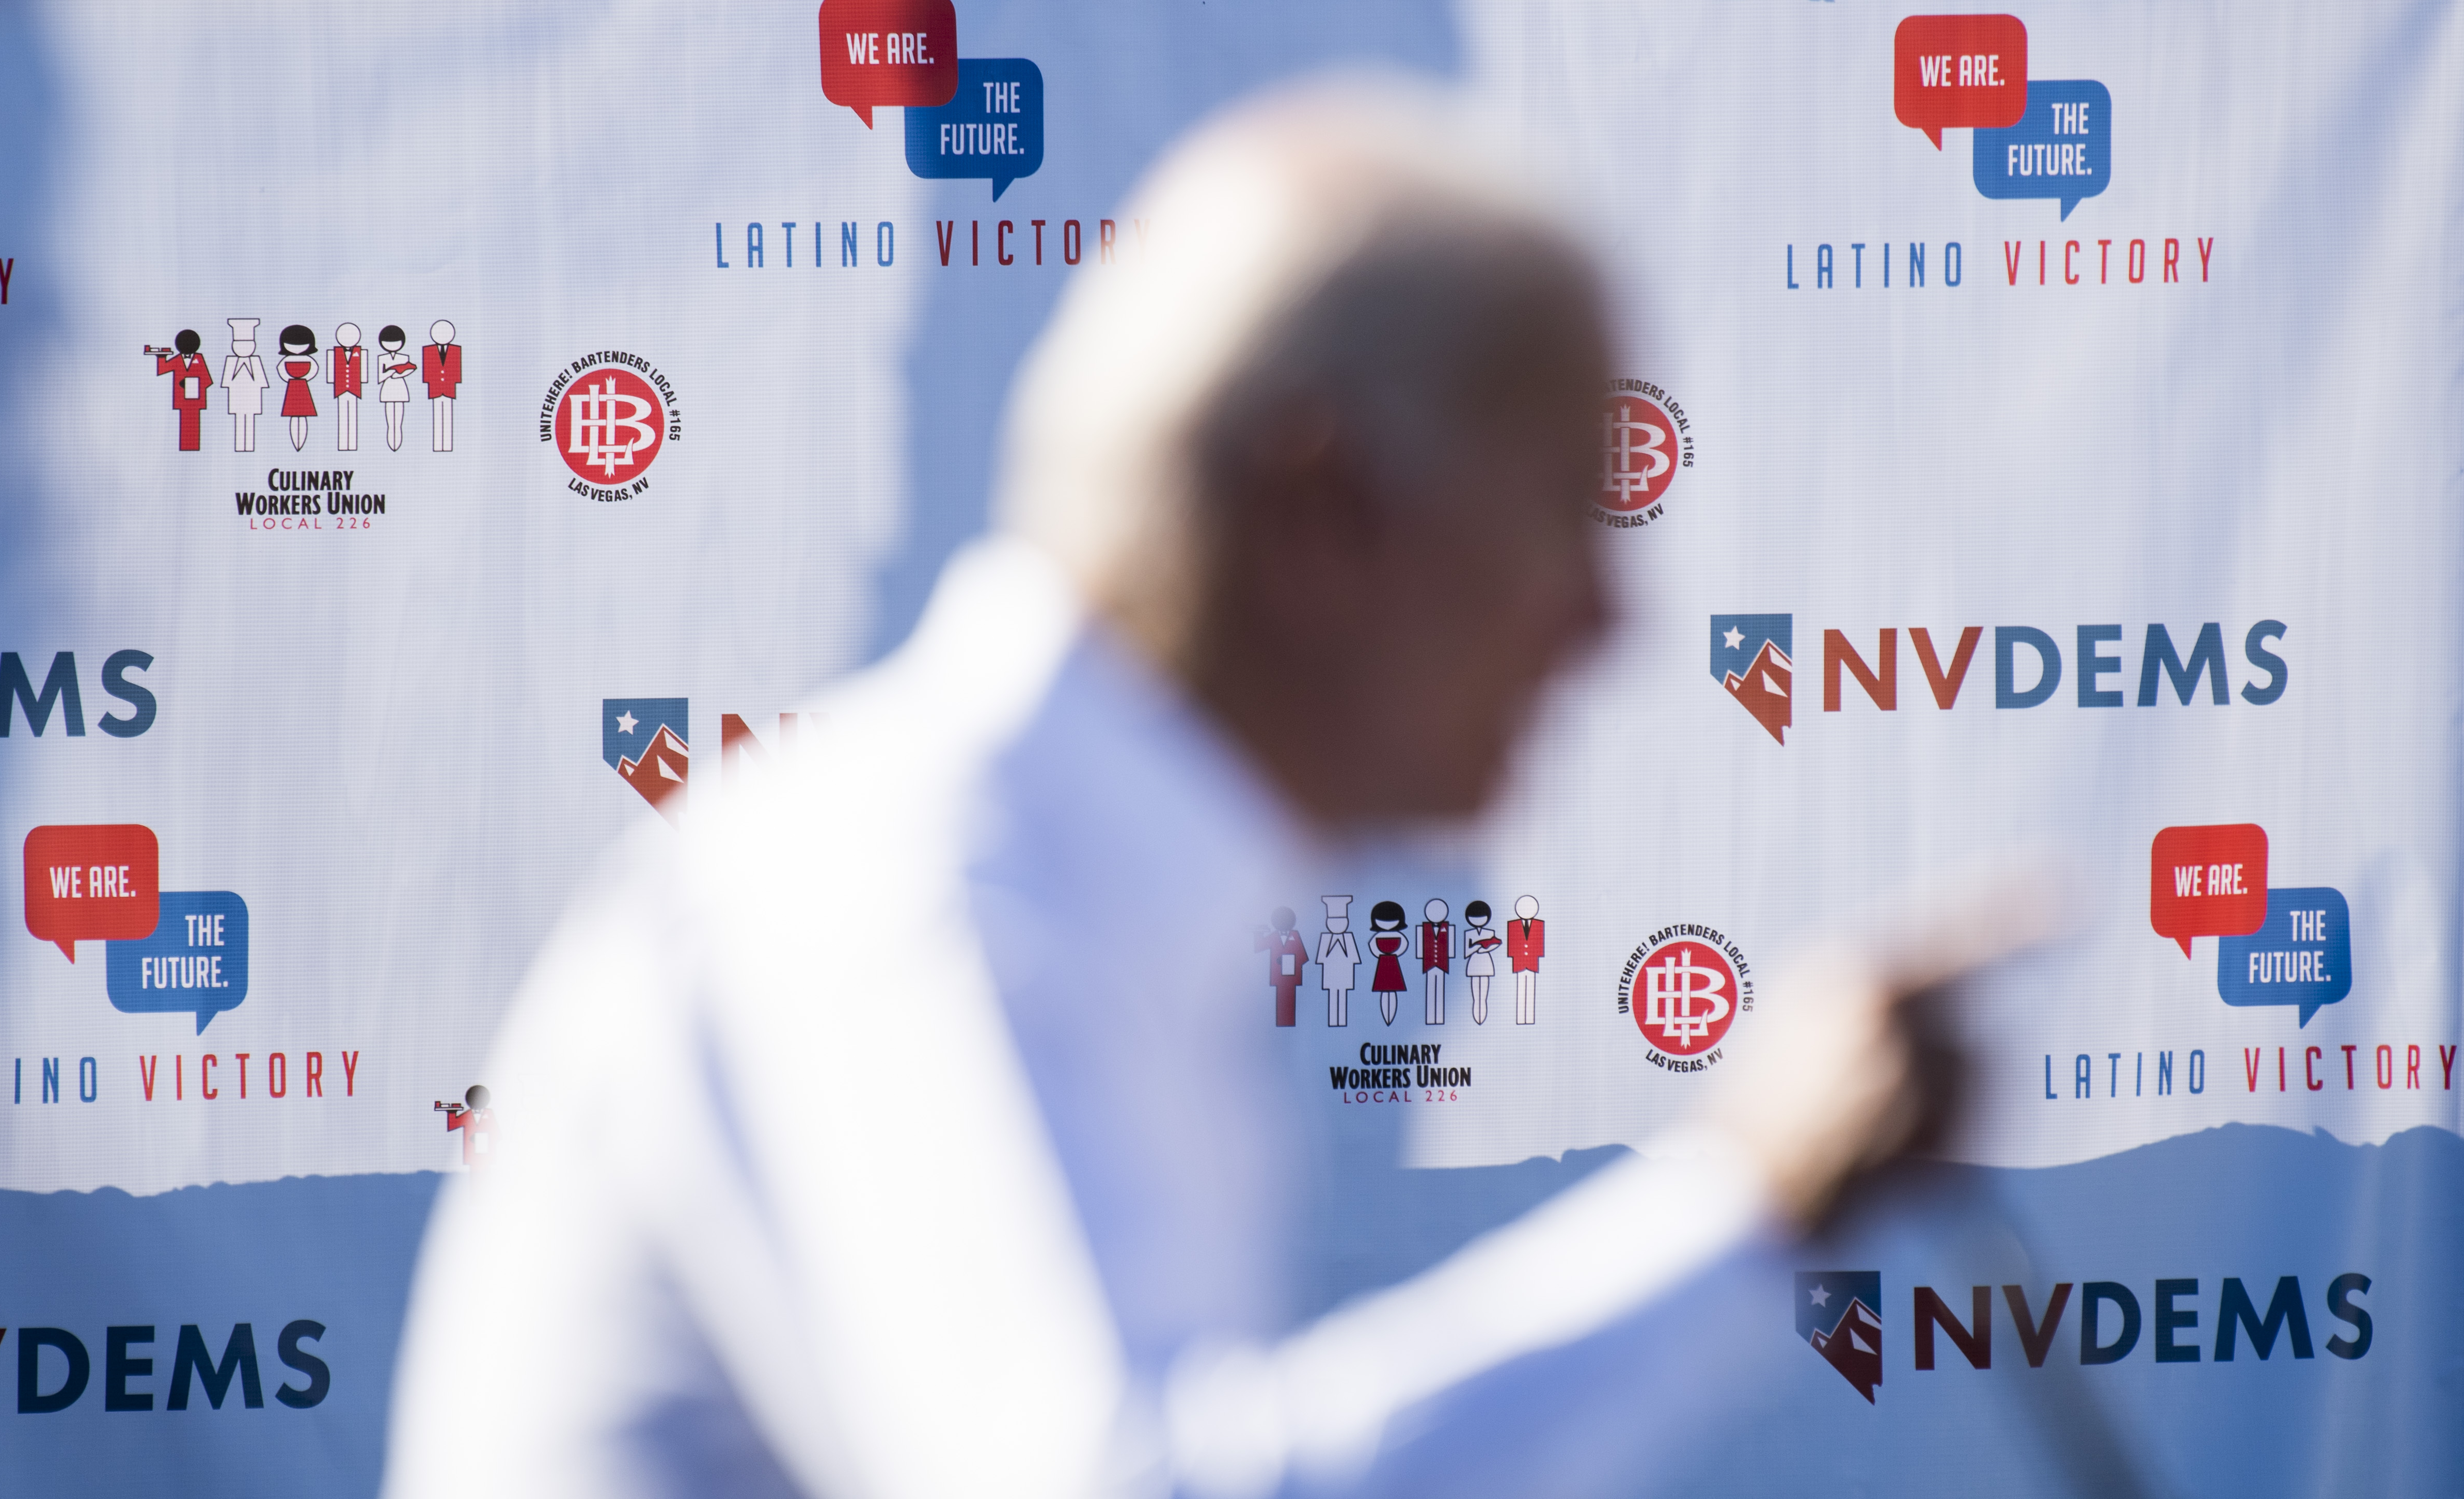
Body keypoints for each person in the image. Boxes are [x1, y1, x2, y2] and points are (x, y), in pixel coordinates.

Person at [385, 78, 2028, 1499]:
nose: (1609, 622)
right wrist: (1743, 1190)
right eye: (1560, 522)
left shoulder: (1042, 867)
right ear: (1321, 513)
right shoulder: (909, 880)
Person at [145, 328, 212, 451]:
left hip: (196, 401)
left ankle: (193, 449)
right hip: (182, 400)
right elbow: (162, 370)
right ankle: (187, 449)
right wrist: (161, 356)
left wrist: (191, 385)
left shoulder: (199, 359)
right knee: (185, 427)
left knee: (194, 427)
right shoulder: (178, 360)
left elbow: (207, 381)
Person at [1256, 905, 1309, 1027]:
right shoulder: (1274, 936)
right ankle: (1282, 1025)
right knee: (1280, 1003)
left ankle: (1289, 1024)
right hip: (1278, 978)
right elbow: (1260, 946)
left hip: (1292, 978)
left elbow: (1303, 957)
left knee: (1290, 1004)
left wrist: (1291, 962)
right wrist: (1258, 932)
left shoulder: (1295, 936)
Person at [222, 317, 267, 453]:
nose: (244, 349)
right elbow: (226, 382)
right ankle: (240, 448)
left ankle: (250, 448)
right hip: (237, 398)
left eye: (248, 345)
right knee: (240, 422)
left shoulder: (256, 361)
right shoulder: (231, 362)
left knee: (250, 422)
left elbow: (263, 382)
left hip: (253, 398)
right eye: (239, 345)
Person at [1315, 894, 1359, 1027]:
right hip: (1330, 975)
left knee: (1343, 997)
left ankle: (1342, 1022)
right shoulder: (1325, 939)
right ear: (1328, 922)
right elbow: (1320, 959)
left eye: (1342, 921)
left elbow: (1355, 958)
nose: (1337, 925)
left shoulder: (1350, 938)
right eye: (1333, 922)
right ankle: (1333, 1022)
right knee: (1333, 997)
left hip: (1346, 974)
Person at [275, 324, 319, 452]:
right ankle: (296, 444)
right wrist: (292, 381)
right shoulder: (286, 360)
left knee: (303, 416)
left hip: (304, 389)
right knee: (294, 416)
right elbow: (281, 371)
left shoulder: (309, 360)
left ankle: (301, 444)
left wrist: (303, 380)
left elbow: (314, 370)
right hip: (292, 390)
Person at [1366, 900, 1409, 1025]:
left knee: (1393, 991)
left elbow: (1404, 946)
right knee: (1384, 992)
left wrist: (1393, 955)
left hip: (1394, 965)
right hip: (1383, 965)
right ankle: (1386, 1018)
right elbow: (1373, 947)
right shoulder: (1377, 937)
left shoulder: (1400, 936)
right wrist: (1383, 956)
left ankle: (1390, 1019)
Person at [434, 1085, 495, 1171]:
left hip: (485, 1155)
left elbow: (496, 1135)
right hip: (472, 1155)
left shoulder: (489, 1114)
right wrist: (452, 1111)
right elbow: (453, 1125)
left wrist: (483, 1139)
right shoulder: (468, 1115)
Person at [422, 319, 461, 452]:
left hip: (449, 388)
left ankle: (448, 446)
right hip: (436, 388)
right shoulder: (428, 350)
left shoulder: (456, 350)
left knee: (448, 417)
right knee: (438, 417)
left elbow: (456, 372)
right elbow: (427, 372)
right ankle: (438, 446)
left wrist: (453, 382)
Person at [1508, 892, 1545, 1025]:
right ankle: (1520, 1019)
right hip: (1519, 963)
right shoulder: (1513, 925)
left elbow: (1539, 947)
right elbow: (1512, 947)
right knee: (1521, 990)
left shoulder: (1539, 925)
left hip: (1532, 963)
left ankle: (1529, 1019)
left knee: (1530, 991)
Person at [377, 323, 415, 451]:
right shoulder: (382, 358)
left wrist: (399, 375)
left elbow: (410, 370)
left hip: (400, 389)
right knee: (390, 421)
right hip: (387, 389)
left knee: (398, 420)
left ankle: (397, 443)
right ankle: (391, 443)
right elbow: (380, 377)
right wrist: (392, 373)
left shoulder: (404, 358)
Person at [1418, 896, 1454, 1025]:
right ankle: (1430, 1018)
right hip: (1429, 965)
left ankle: (1439, 1019)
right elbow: (1419, 951)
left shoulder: (1448, 929)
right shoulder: (1422, 929)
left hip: (1442, 964)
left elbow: (1451, 950)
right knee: (1430, 989)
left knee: (1440, 990)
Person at [330, 321, 365, 451]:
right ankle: (343, 445)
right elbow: (331, 373)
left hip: (355, 388)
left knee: (353, 416)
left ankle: (353, 445)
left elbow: (364, 373)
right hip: (340, 389)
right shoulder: (333, 353)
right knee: (343, 417)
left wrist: (361, 381)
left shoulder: (361, 353)